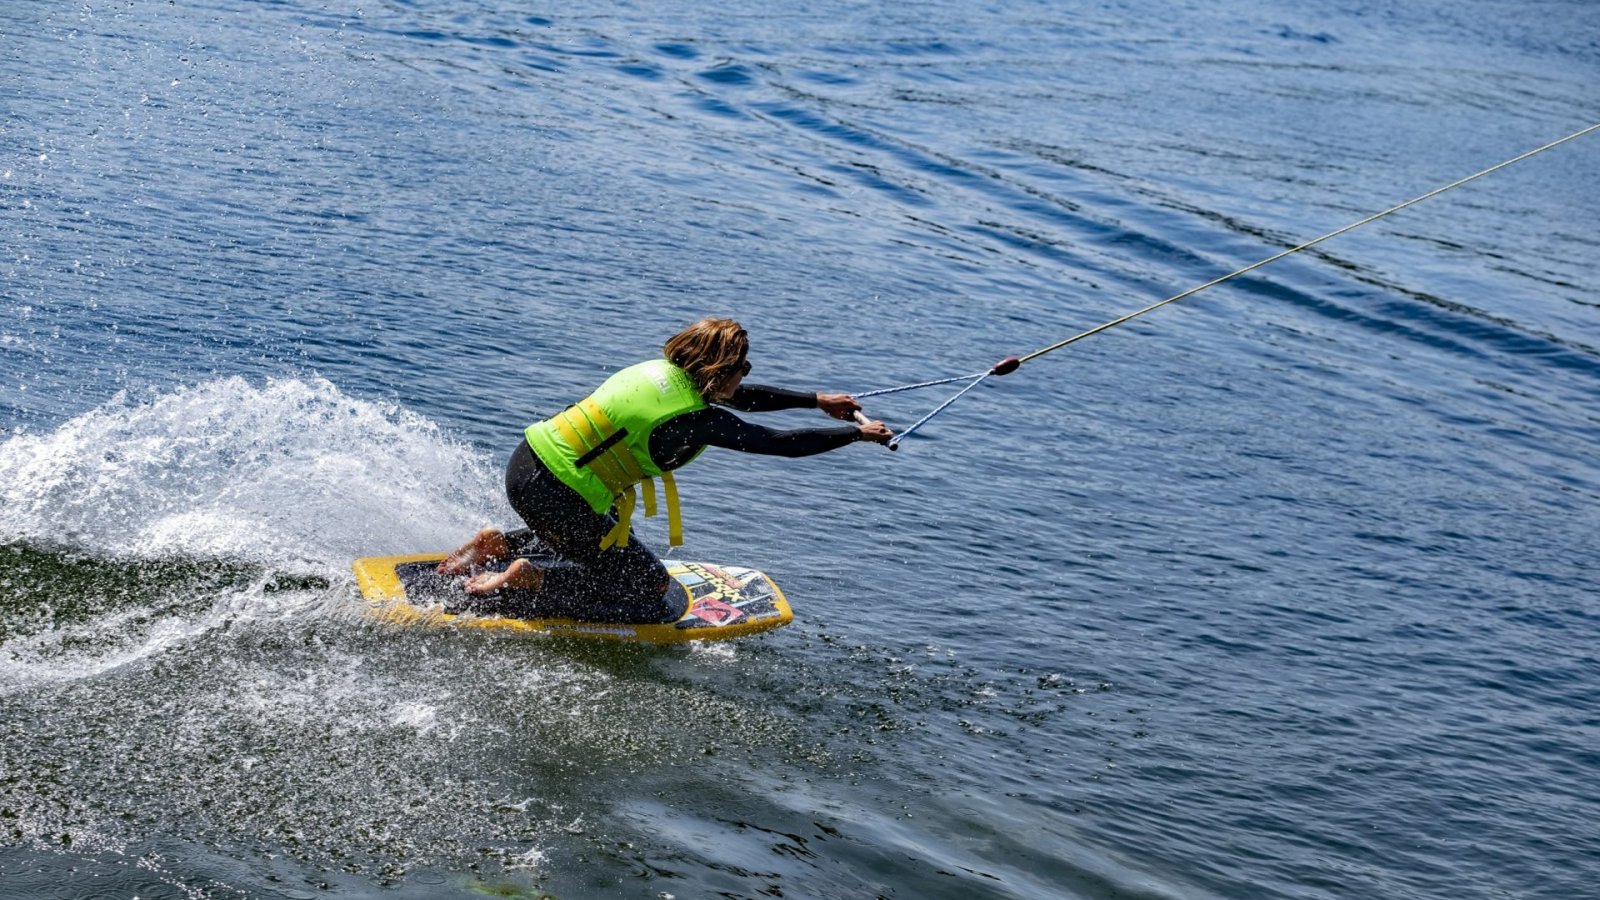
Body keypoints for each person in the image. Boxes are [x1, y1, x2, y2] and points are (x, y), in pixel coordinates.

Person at [436, 317, 894, 623]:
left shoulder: (659, 374)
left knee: (608, 537)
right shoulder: (696, 419)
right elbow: (778, 444)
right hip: (558, 496)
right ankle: (530, 577)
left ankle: (497, 543)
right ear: (719, 370)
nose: (746, 374)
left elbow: (743, 397)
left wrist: (816, 401)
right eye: (743, 366)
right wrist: (855, 435)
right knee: (647, 586)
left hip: (527, 466)